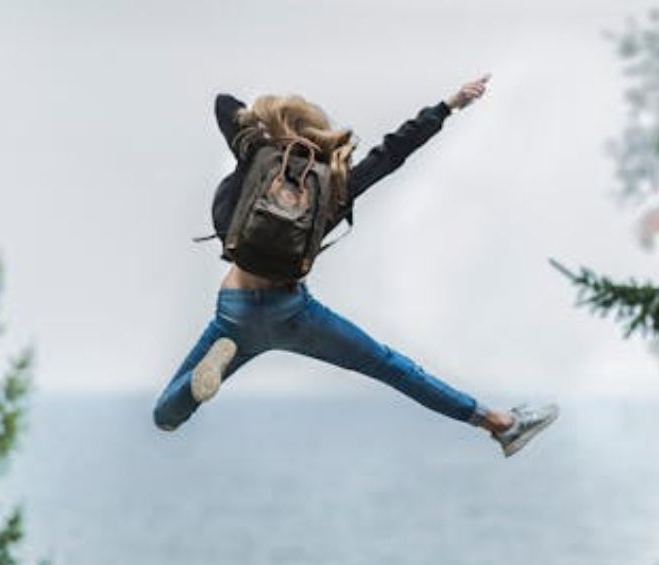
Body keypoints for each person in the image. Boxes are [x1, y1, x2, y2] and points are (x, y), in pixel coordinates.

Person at [153, 74, 558, 457]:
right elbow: (393, 152)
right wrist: (448, 106)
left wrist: (264, 133)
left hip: (235, 310)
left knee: (165, 417)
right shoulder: (333, 185)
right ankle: (501, 425)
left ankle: (197, 386)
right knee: (390, 367)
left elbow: (224, 104)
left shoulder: (257, 156)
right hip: (292, 313)